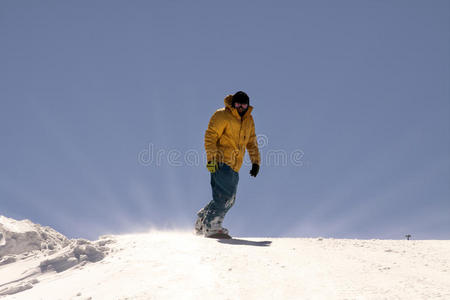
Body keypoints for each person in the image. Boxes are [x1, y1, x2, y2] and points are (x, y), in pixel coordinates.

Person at [195, 91, 260, 238]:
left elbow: (252, 143)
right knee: (226, 197)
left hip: (235, 165)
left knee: (229, 199)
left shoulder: (249, 119)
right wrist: (211, 160)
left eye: (244, 105)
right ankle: (212, 226)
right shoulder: (222, 115)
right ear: (233, 104)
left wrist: (255, 162)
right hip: (220, 161)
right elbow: (210, 137)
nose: (241, 108)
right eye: (238, 104)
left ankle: (202, 219)